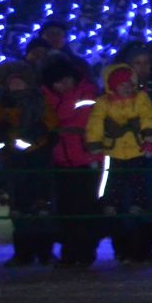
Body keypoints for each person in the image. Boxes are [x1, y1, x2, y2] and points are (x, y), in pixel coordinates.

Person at [85, 62, 152, 264]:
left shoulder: (141, 99)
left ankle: (138, 203)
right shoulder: (104, 102)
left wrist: (149, 138)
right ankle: (110, 203)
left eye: (129, 83)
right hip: (113, 150)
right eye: (122, 84)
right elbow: (95, 123)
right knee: (111, 179)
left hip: (135, 148)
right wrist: (95, 147)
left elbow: (148, 117)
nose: (127, 88)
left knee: (138, 178)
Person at [0, 60, 53, 266]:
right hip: (15, 159)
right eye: (12, 83)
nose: (15, 86)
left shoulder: (39, 102)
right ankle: (23, 252)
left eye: (19, 82)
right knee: (19, 207)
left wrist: (43, 131)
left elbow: (50, 121)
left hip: (38, 158)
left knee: (41, 206)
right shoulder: (2, 105)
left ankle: (44, 251)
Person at [41, 57, 100, 268]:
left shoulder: (86, 93)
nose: (63, 85)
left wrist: (55, 122)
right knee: (66, 212)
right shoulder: (47, 99)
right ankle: (69, 253)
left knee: (84, 211)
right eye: (58, 82)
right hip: (60, 161)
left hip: (85, 160)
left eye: (66, 80)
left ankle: (84, 254)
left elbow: (84, 120)